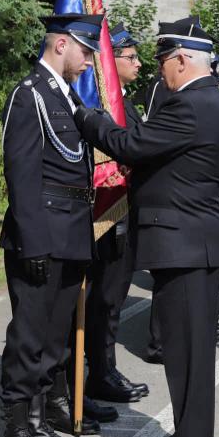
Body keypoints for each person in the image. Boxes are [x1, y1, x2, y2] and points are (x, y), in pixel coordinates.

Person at [74, 17, 219, 437]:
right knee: (188, 357)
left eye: (163, 60)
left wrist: (87, 117)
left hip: (185, 246)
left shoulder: (190, 105)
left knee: (187, 359)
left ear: (182, 59)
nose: (159, 69)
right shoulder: (210, 100)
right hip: (191, 243)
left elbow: (131, 144)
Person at [0, 13, 105, 437]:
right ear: (62, 44)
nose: (89, 62)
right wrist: (33, 242)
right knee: (29, 336)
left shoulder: (65, 96)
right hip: (42, 234)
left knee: (54, 338)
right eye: (86, 51)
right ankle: (15, 433)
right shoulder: (29, 95)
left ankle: (39, 423)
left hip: (72, 232)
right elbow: (21, 175)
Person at [76, 22, 149, 407]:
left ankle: (103, 368)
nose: (139, 63)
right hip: (103, 211)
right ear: (110, 59)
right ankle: (96, 373)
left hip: (125, 207)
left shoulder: (125, 103)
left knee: (113, 296)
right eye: (131, 57)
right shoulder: (99, 104)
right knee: (102, 297)